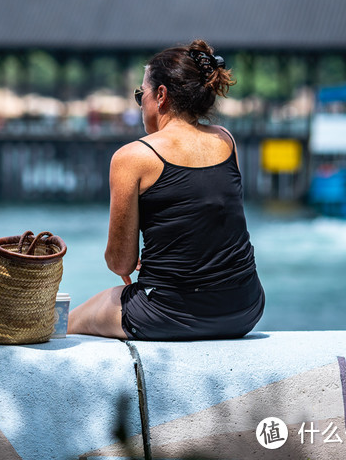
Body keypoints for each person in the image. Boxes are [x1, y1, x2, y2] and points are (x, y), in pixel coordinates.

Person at [68, 39, 264, 341]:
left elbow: (119, 263)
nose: (139, 102)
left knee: (69, 322)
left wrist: (130, 260)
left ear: (160, 95)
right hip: (245, 308)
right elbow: (211, 219)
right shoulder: (226, 140)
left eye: (139, 94)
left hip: (167, 314)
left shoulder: (132, 157)